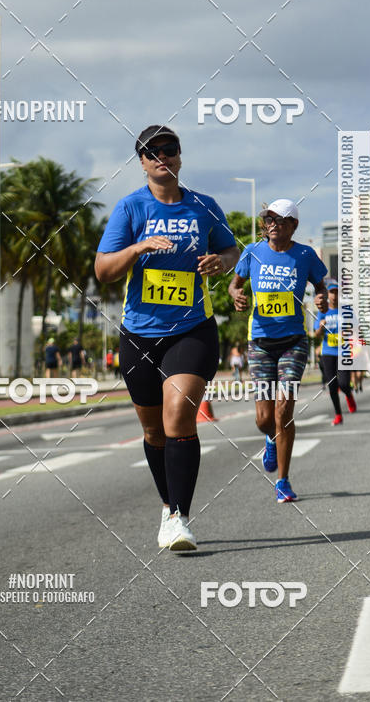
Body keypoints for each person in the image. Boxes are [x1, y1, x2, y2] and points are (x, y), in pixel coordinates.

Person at [94, 125, 239, 551]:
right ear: (140, 162)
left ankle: (180, 517)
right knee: (154, 432)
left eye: (169, 150)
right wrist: (137, 249)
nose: (162, 157)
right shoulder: (130, 208)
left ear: (180, 155)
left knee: (178, 418)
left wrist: (221, 262)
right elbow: (103, 271)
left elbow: (233, 250)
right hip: (140, 334)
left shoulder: (203, 207)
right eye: (151, 152)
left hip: (192, 329)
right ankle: (167, 506)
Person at [228, 199, 328, 503]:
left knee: (284, 410)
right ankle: (269, 438)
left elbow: (321, 286)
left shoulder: (305, 255)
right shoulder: (252, 252)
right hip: (260, 342)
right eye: (269, 219)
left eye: (281, 220)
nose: (274, 225)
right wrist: (236, 295)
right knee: (263, 418)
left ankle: (283, 481)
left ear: (293, 225)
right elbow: (234, 284)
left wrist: (322, 299)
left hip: (293, 342)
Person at [314, 280, 357, 425]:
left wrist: (349, 331)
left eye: (337, 292)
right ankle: (338, 414)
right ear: (327, 295)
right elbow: (316, 334)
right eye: (332, 292)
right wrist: (321, 327)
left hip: (343, 351)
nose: (334, 296)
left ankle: (349, 395)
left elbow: (357, 329)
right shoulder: (322, 311)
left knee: (344, 384)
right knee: (332, 385)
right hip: (328, 352)